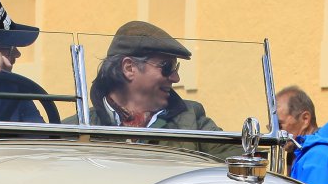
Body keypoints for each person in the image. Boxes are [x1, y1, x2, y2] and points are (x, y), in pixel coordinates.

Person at [88, 20, 228, 157]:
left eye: (176, 68)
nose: (176, 78)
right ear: (129, 68)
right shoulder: (80, 128)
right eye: (167, 67)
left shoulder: (192, 119)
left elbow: (232, 156)